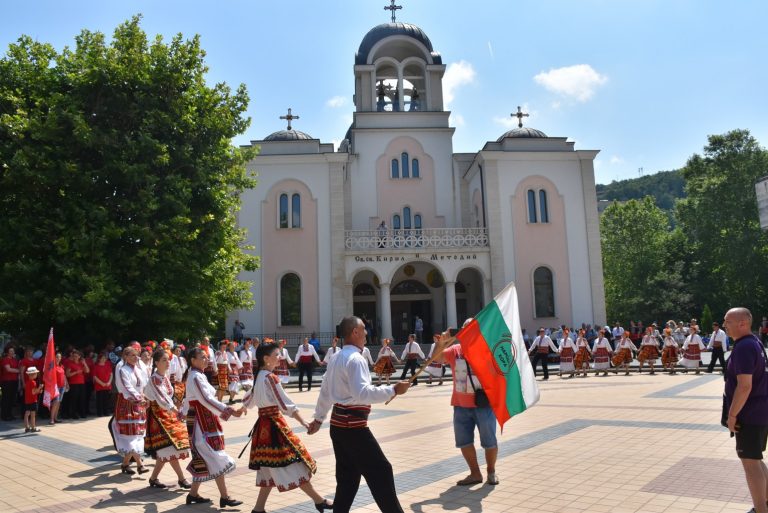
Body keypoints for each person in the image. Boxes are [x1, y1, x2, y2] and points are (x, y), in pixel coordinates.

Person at [307, 316, 411, 513]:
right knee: (381, 472)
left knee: (348, 478)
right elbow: (362, 393)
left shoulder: (337, 357)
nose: (366, 333)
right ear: (354, 332)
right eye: (363, 329)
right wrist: (394, 389)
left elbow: (326, 391)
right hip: (352, 426)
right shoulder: (355, 359)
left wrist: (319, 418)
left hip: (339, 426)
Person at [242, 342, 333, 513]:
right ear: (266, 359)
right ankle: (319, 500)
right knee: (292, 464)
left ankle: (258, 509)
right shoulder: (270, 378)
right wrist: (303, 422)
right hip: (274, 426)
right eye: (276, 355)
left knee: (268, 468)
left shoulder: (260, 375)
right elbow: (285, 403)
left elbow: (250, 399)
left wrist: (241, 409)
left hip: (263, 427)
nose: (280, 358)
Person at [434, 325, 499, 486]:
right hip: (460, 405)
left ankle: (491, 471)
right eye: (465, 329)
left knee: (489, 441)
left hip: (483, 404)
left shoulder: (487, 349)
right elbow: (437, 358)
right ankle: (475, 473)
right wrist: (441, 342)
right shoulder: (455, 350)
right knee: (464, 441)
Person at [184, 346, 244, 507]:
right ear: (193, 360)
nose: (207, 359)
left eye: (206, 356)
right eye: (202, 357)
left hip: (205, 419)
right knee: (213, 454)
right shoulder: (195, 376)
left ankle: (193, 494)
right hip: (201, 421)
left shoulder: (198, 376)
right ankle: (224, 496)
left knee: (207, 455)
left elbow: (197, 400)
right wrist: (229, 410)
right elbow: (205, 399)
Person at [722, 307, 768, 513]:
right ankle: (765, 503)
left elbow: (745, 385)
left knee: (750, 463)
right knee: (755, 459)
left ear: (743, 323)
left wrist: (732, 415)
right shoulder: (755, 342)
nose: (724, 325)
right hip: (759, 411)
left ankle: (760, 509)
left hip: (749, 414)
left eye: (728, 321)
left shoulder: (743, 347)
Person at [144, 348, 191, 489]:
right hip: (158, 416)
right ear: (156, 363)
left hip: (167, 415)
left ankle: (153, 478)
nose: (167, 362)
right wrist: (175, 410)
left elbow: (170, 396)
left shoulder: (164, 378)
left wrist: (179, 406)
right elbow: (162, 398)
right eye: (164, 360)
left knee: (166, 449)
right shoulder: (154, 380)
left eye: (168, 360)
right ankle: (182, 479)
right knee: (171, 447)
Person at [111, 347, 149, 475]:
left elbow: (143, 384)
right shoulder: (123, 370)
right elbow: (127, 387)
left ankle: (126, 464)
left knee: (137, 433)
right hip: (127, 403)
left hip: (138, 403)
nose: (135, 358)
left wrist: (144, 396)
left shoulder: (138, 369)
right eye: (132, 355)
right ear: (125, 357)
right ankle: (140, 464)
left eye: (136, 355)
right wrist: (139, 398)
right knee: (131, 434)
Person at [64, 350, 89, 419]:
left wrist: (84, 363)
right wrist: (76, 372)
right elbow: (67, 374)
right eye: (74, 356)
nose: (75, 357)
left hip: (81, 383)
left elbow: (87, 371)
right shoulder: (70, 364)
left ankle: (82, 413)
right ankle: (73, 414)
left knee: (82, 399)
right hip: (73, 384)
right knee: (74, 399)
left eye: (76, 356)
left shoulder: (81, 363)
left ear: (79, 356)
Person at [1, 346, 20, 421]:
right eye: (11, 351)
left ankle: (10, 414)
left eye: (13, 351)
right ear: (7, 352)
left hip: (14, 381)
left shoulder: (15, 360)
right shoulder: (5, 360)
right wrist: (19, 371)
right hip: (6, 381)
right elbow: (8, 369)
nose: (12, 352)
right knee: (6, 398)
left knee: (12, 399)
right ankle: (4, 415)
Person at [92, 352, 114, 417]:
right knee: (99, 400)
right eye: (103, 358)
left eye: (105, 358)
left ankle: (106, 412)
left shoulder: (107, 365)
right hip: (99, 386)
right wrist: (102, 383)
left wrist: (109, 382)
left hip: (107, 385)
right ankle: (100, 413)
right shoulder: (96, 366)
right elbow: (94, 376)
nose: (104, 359)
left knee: (106, 400)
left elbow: (111, 374)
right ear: (99, 359)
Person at [23, 366, 43, 433]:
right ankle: (33, 427)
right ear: (32, 374)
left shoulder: (27, 382)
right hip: (32, 400)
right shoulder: (33, 382)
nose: (36, 375)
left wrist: (38, 391)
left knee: (27, 414)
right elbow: (33, 392)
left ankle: (26, 427)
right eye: (35, 373)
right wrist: (39, 388)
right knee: (33, 415)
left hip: (27, 400)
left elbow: (32, 391)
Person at [49, 352, 67, 424]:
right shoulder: (52, 366)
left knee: (58, 403)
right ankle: (51, 419)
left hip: (62, 386)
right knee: (55, 402)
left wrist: (67, 384)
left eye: (59, 357)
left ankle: (56, 418)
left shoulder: (61, 366)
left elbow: (64, 375)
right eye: (57, 357)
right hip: (56, 386)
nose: (58, 358)